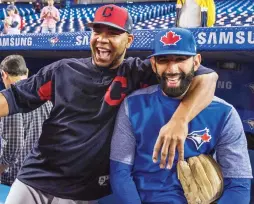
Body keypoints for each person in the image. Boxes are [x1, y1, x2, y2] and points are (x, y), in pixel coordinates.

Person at [1, 4, 217, 204]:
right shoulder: (63, 70)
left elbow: (208, 78)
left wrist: (180, 120)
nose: (102, 39)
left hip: (81, 191)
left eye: (112, 33)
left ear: (129, 40)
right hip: (34, 178)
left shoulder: (137, 73)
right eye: (97, 32)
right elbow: (12, 99)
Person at [110, 28, 252, 204]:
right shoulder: (133, 105)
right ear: (153, 64)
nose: (172, 69)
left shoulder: (224, 113)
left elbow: (239, 184)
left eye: (181, 59)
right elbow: (120, 172)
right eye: (163, 60)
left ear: (196, 62)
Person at [0, 55, 52, 186]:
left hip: (14, 179)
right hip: (40, 174)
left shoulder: (8, 99)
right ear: (27, 72)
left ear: (4, 74)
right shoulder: (45, 98)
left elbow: (14, 145)